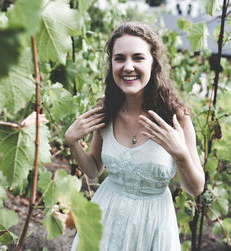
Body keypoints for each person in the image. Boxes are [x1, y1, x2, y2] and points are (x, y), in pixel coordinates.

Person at [66, 21, 205, 251]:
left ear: (153, 63)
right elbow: (93, 171)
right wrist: (72, 142)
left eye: (138, 58)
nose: (128, 67)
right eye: (120, 58)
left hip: (152, 225)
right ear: (111, 64)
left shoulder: (176, 117)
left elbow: (196, 188)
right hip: (105, 217)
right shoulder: (106, 110)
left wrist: (179, 154)